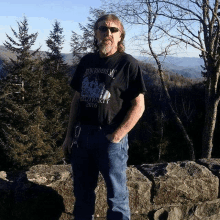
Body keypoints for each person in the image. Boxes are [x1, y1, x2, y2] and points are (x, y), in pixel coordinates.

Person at [62, 14, 146, 220]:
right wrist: (69, 135)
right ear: (95, 33)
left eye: (113, 30)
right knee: (82, 196)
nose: (107, 33)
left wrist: (117, 136)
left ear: (120, 35)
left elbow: (139, 106)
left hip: (110, 139)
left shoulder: (128, 64)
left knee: (117, 198)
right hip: (82, 138)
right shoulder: (87, 61)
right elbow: (77, 100)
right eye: (102, 29)